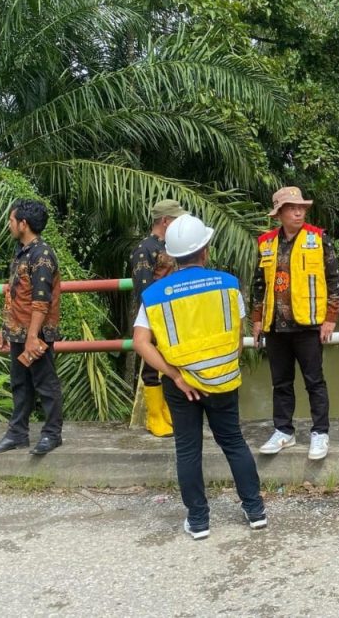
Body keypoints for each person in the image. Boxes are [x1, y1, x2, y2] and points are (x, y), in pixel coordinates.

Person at [133, 214, 266, 540]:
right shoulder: (228, 284)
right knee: (233, 442)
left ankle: (199, 520)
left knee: (188, 449)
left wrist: (175, 375)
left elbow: (141, 342)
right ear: (204, 250)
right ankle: (255, 511)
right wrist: (220, 368)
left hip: (182, 384)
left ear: (173, 255)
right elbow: (236, 337)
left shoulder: (155, 295)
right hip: (223, 380)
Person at [252, 187, 339, 460]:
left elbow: (335, 280)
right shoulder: (266, 242)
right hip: (275, 326)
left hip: (308, 325)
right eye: (292, 207)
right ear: (279, 213)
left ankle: (320, 432)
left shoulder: (318, 239)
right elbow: (259, 285)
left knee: (314, 381)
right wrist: (256, 320)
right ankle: (283, 431)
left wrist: (331, 318)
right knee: (280, 382)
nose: (298, 212)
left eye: (301, 207)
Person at [0, 199, 64, 457]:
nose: (9, 225)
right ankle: (17, 434)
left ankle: (52, 434)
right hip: (19, 332)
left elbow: (41, 301)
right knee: (20, 384)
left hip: (35, 334)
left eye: (12, 220)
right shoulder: (22, 252)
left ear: (23, 224)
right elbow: (16, 295)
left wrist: (31, 337)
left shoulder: (42, 255)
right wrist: (5, 330)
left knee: (45, 383)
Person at [129, 198, 187, 437]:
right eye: (176, 220)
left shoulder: (171, 247)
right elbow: (144, 290)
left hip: (174, 315)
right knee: (152, 368)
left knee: (170, 363)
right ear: (165, 221)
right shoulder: (145, 249)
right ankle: (154, 417)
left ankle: (165, 410)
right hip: (153, 316)